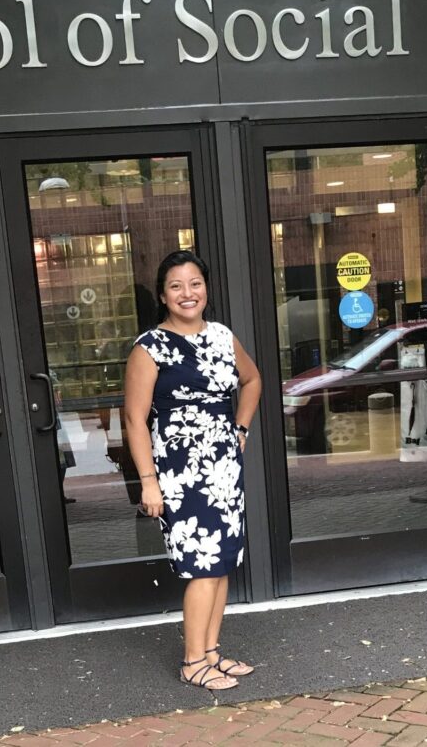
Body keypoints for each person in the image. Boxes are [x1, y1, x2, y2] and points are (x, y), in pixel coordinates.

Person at [123, 250, 262, 691]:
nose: (188, 293)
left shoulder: (222, 336)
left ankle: (212, 653)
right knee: (202, 566)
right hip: (180, 474)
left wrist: (240, 427)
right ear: (164, 296)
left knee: (220, 565)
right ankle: (192, 663)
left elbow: (253, 380)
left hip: (223, 470)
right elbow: (133, 419)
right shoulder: (149, 348)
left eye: (195, 283)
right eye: (177, 286)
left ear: (206, 288)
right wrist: (148, 482)